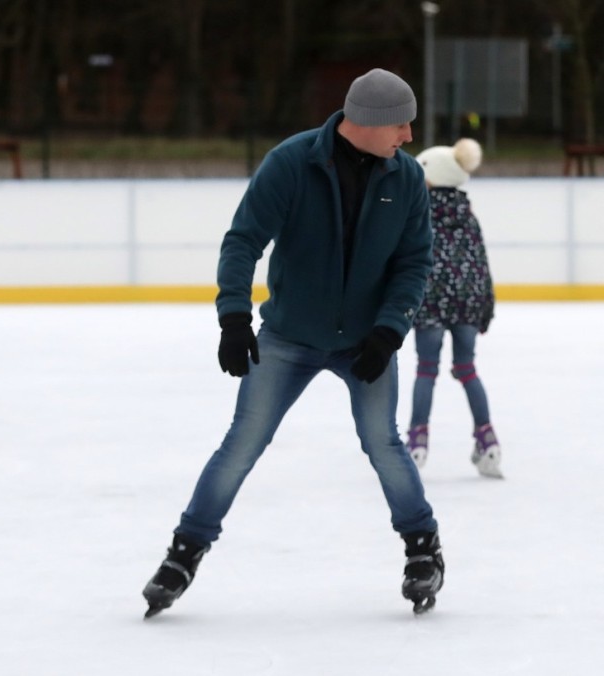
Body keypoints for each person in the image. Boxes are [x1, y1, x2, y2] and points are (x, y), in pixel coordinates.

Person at [142, 68, 444, 618]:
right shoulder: (292, 163)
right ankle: (185, 551)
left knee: (383, 443)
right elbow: (243, 241)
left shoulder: (405, 180)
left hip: (364, 343)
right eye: (401, 123)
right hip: (287, 337)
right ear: (370, 121)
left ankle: (423, 547)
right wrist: (234, 318)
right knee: (243, 442)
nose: (407, 135)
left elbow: (414, 263)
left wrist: (388, 329)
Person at [405, 138, 502, 479]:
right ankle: (488, 440)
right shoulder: (467, 213)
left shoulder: (417, 210)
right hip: (467, 302)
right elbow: (481, 263)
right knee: (467, 369)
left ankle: (417, 443)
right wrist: (484, 308)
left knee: (426, 370)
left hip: (430, 299)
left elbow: (407, 258)